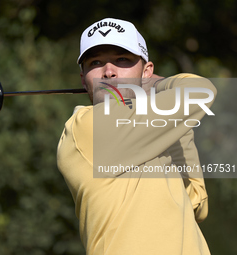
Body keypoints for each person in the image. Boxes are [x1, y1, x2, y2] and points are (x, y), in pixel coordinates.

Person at [57, 18, 216, 255]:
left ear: (146, 71)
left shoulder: (150, 131)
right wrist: (160, 86)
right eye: (95, 62)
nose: (109, 72)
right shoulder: (85, 127)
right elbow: (201, 91)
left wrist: (174, 121)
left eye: (122, 60)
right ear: (84, 80)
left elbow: (196, 203)